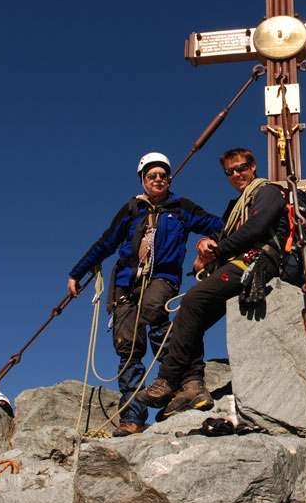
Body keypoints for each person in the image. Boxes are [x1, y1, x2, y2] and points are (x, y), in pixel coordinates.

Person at [67, 152, 223, 436]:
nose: (158, 179)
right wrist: (78, 272)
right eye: (152, 175)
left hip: (163, 276)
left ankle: (177, 387)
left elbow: (216, 224)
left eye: (163, 175)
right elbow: (107, 242)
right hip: (127, 283)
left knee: (156, 315)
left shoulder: (181, 207)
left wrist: (212, 243)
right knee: (128, 348)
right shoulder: (131, 210)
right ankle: (132, 417)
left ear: (169, 179)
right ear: (143, 179)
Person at [137, 147, 289, 417]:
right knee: (191, 316)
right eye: (230, 171)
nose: (236, 174)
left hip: (256, 261)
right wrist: (206, 245)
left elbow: (256, 229)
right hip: (239, 262)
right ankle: (192, 385)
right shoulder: (237, 205)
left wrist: (217, 252)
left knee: (194, 301)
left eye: (241, 168)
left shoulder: (268, 193)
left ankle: (169, 379)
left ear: (253, 167)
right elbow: (222, 232)